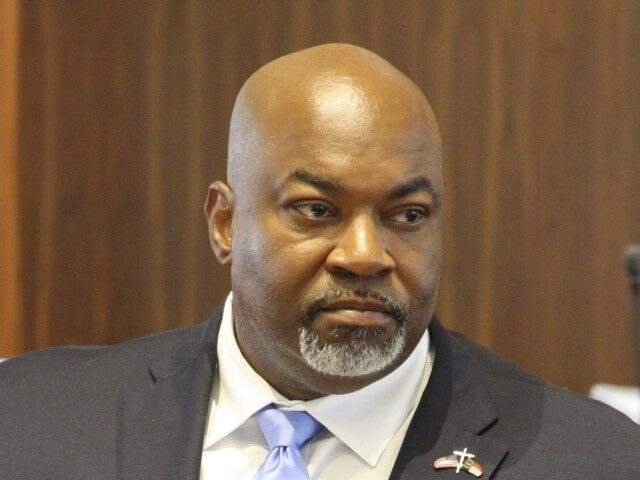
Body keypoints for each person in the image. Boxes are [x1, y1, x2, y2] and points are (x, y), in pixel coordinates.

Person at [0, 43, 638, 479]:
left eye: (406, 216)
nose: (365, 256)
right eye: (316, 210)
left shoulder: (591, 458)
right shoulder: (28, 418)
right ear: (224, 224)